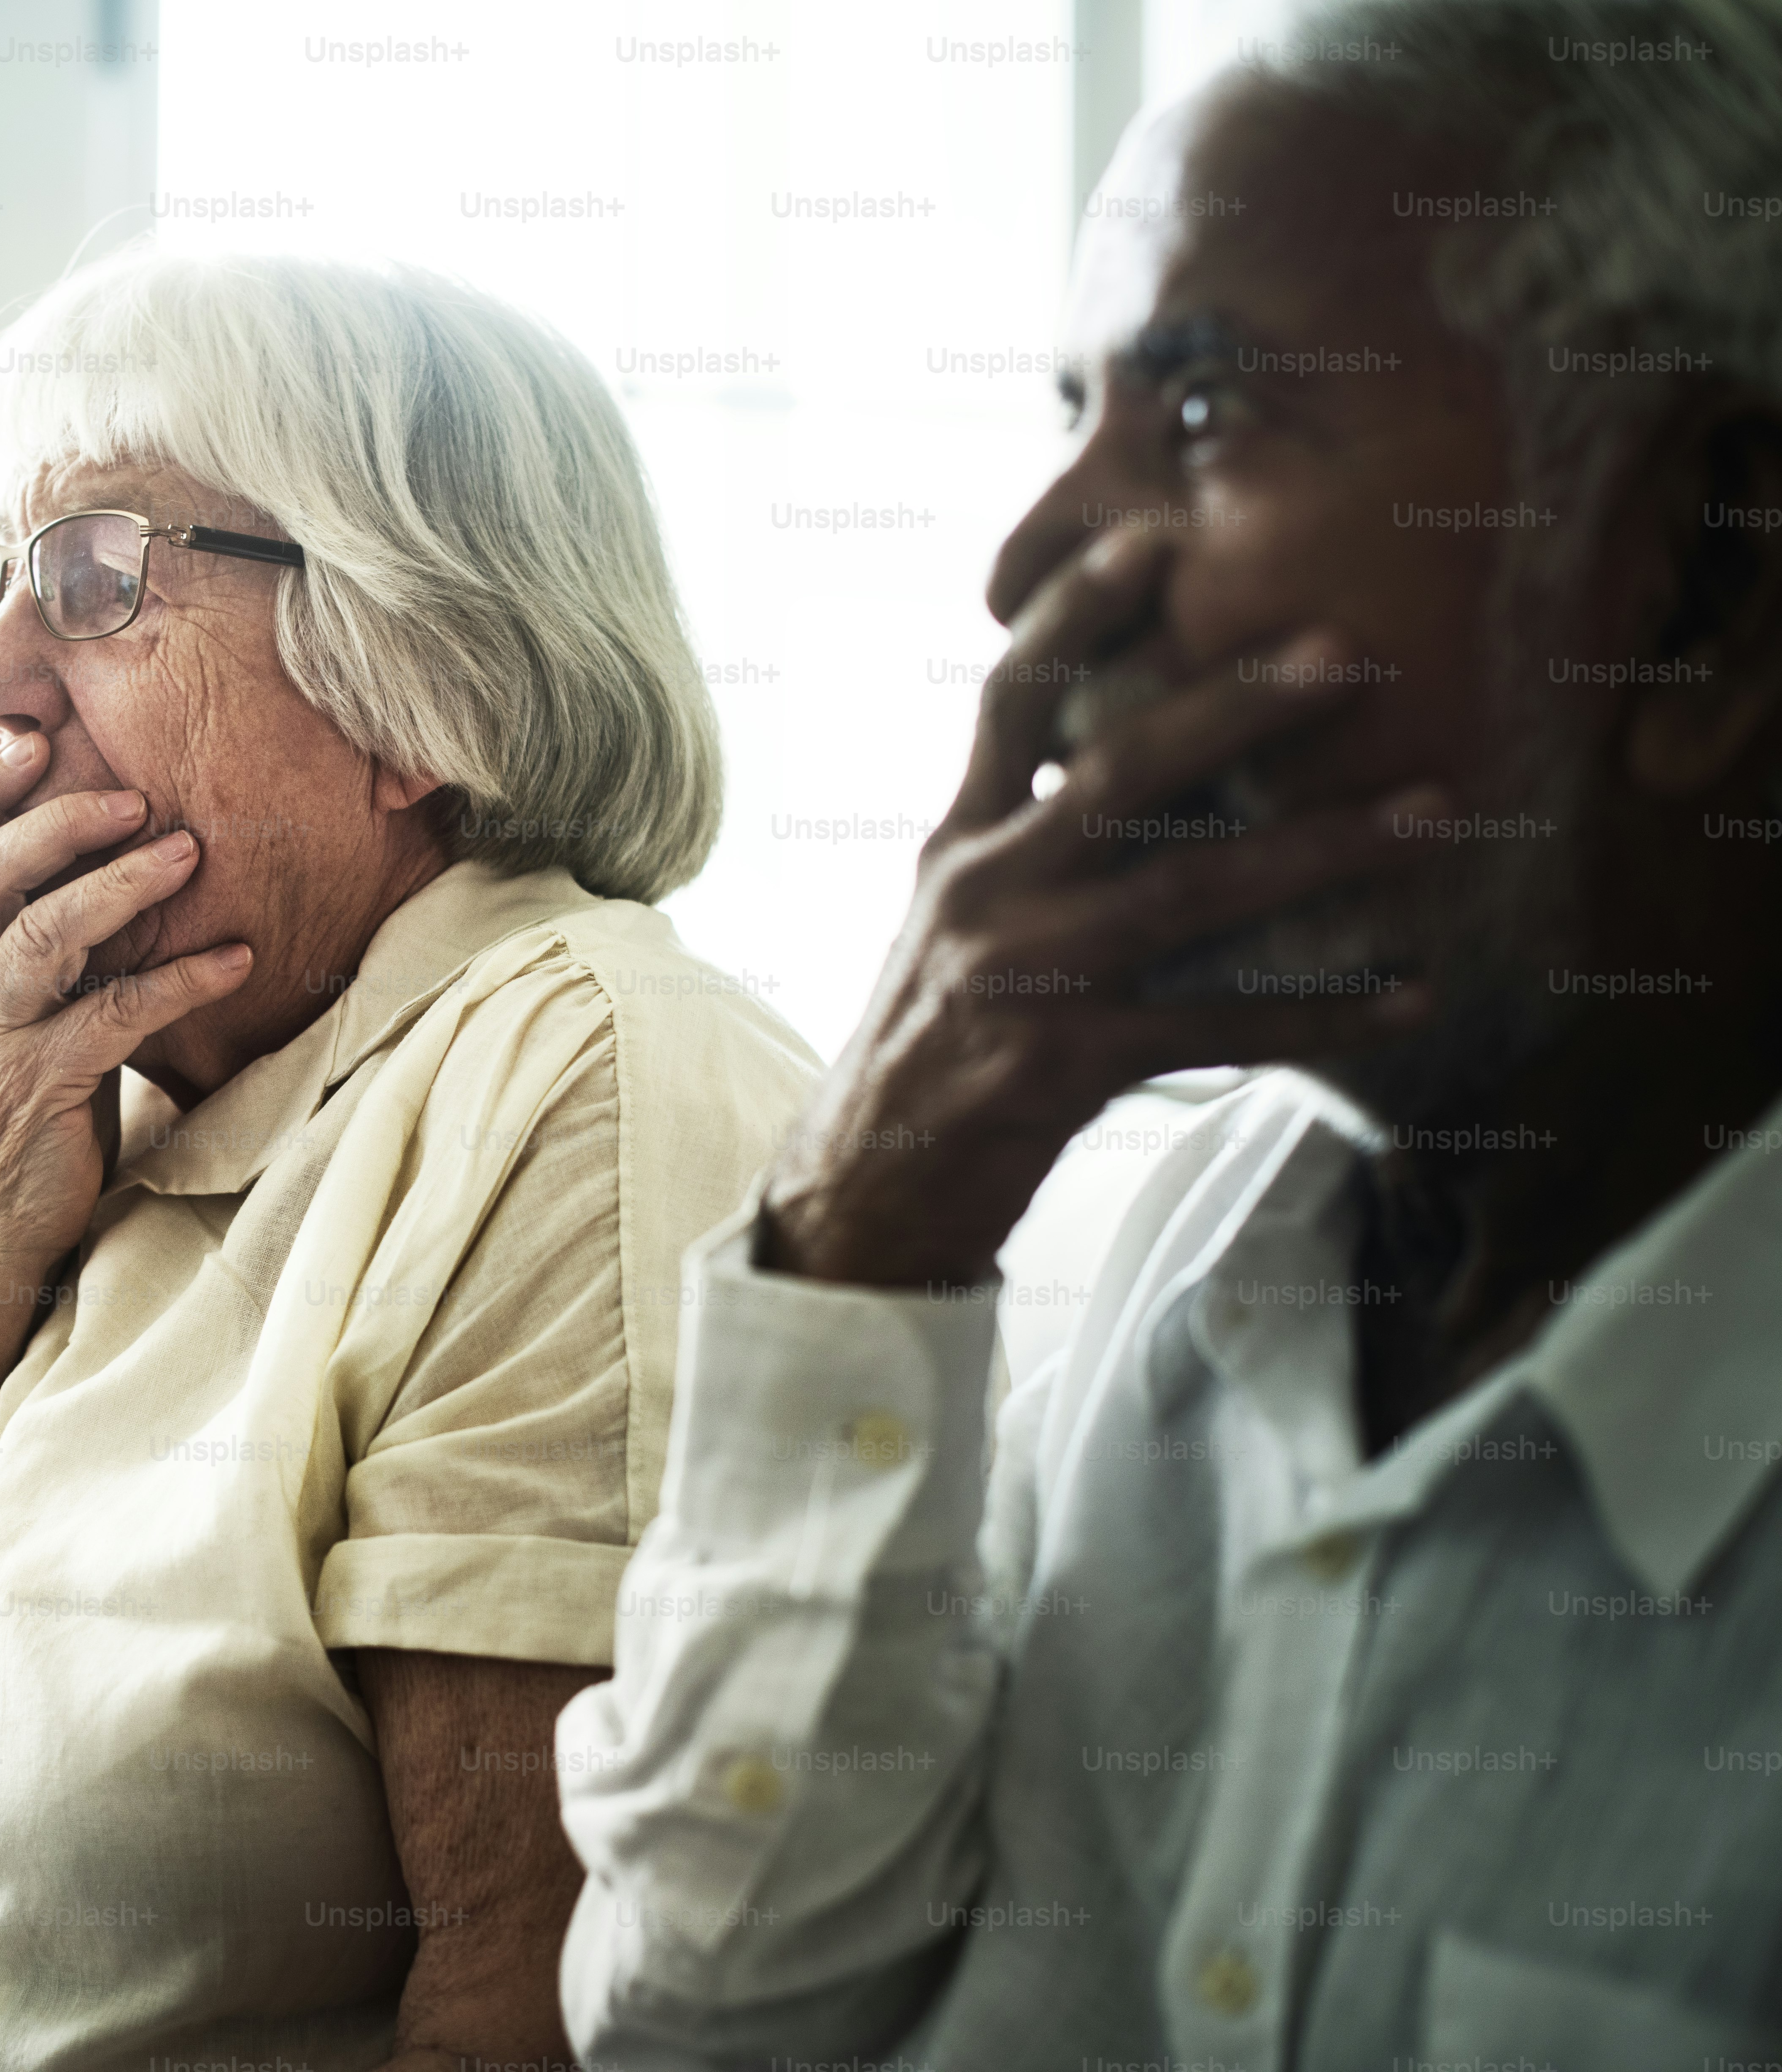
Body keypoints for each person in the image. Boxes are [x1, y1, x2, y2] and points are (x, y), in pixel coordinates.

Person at [558, 4, 1782, 2065]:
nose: (1033, 563)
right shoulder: (1199, 1242)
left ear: (1700, 581)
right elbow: (708, 2030)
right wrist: (873, 1217)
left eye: (1202, 413)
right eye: (1075, 410)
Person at [0, 248, 817, 2072]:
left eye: (96, 577)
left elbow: (531, 2009)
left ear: (423, 677)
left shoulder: (578, 1077)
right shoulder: (117, 1104)